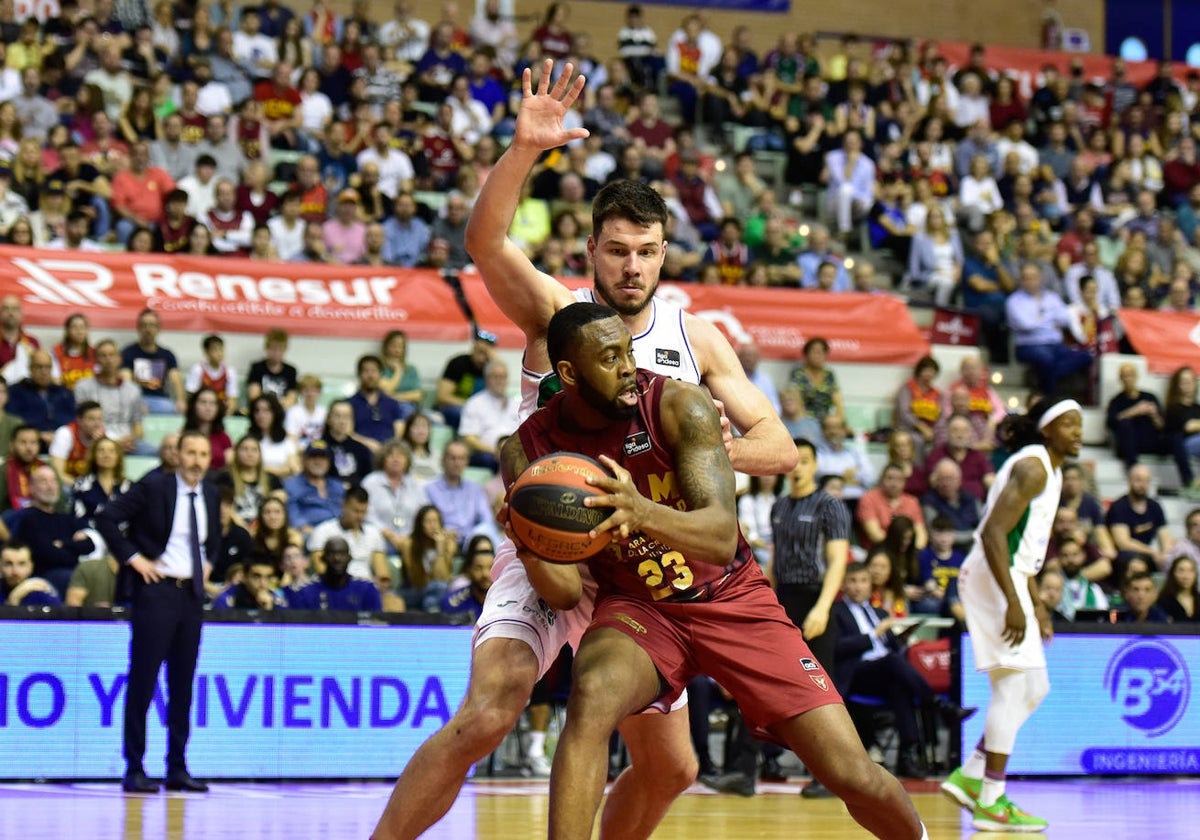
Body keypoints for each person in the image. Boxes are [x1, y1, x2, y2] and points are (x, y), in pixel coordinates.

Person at [372, 61, 796, 840]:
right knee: (490, 711)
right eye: (617, 250)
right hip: (556, 536)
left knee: (673, 768)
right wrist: (525, 151)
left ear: (665, 253)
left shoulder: (696, 339)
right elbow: (483, 240)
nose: (631, 266)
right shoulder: (556, 311)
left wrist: (689, 451)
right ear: (592, 249)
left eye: (647, 251)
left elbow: (781, 445)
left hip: (643, 561)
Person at [501, 302, 925, 840]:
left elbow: (722, 538)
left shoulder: (680, 405)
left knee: (850, 773)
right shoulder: (530, 452)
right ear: (568, 374)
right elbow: (563, 594)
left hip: (732, 598)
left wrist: (641, 511)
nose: (629, 366)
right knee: (592, 696)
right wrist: (531, 544)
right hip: (641, 609)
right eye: (610, 358)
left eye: (628, 351)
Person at [941, 397, 1083, 833]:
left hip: (1010, 575)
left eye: (1081, 424)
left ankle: (973, 774)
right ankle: (990, 799)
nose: (1079, 431)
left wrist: (1036, 603)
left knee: (1033, 688)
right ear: (1047, 430)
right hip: (992, 576)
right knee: (1014, 687)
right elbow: (993, 534)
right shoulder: (1034, 467)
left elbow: (1025, 548)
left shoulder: (1051, 468)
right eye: (1069, 424)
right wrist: (1015, 600)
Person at [96, 430, 219, 794]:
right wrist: (134, 559)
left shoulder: (211, 493)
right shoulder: (154, 487)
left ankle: (177, 767)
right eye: (190, 452)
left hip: (191, 596)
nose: (197, 460)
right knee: (143, 682)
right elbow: (106, 518)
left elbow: (214, 538)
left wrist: (209, 562)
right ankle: (134, 767)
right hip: (157, 592)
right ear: (176, 455)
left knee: (183, 685)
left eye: (203, 454)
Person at [834, 561, 975, 779]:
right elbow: (837, 648)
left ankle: (908, 756)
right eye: (852, 581)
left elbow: (892, 648)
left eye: (863, 581)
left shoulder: (879, 613)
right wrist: (873, 635)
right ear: (843, 585)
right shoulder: (835, 612)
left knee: (899, 684)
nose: (858, 587)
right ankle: (939, 705)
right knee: (892, 662)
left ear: (870, 585)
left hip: (885, 672)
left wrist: (902, 639)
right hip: (856, 674)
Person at [74, 339, 153, 456]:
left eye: (112, 355)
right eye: (103, 356)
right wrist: (112, 442)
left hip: (128, 443)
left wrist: (131, 438)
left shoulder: (133, 390)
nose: (108, 360)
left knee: (158, 452)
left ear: (119, 359)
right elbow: (82, 423)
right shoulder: (83, 387)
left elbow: (138, 426)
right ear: (96, 360)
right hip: (96, 441)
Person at [308, 486, 388, 585]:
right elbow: (321, 570)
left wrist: (381, 584)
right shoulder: (323, 531)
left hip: (367, 587)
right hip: (335, 586)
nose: (360, 516)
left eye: (363, 512)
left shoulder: (373, 533)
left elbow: (383, 574)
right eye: (356, 511)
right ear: (343, 506)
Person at [1106, 464, 1174, 575]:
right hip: (1124, 555)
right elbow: (1123, 543)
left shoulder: (1154, 506)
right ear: (1129, 480)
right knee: (1135, 562)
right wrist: (1152, 552)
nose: (1142, 485)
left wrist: (1165, 554)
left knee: (1177, 560)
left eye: (1146, 481)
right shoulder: (1119, 507)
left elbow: (1165, 535)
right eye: (1138, 480)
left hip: (1148, 554)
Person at [286, 536, 383, 611]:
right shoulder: (304, 591)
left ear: (350, 558)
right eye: (331, 554)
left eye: (342, 554)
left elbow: (376, 627)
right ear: (322, 558)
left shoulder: (367, 589)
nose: (337, 558)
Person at [119, 309, 186, 415]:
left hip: (160, 400)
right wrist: (134, 402)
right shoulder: (128, 353)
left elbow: (175, 378)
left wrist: (181, 401)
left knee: (174, 410)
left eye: (152, 325)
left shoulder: (167, 355)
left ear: (158, 328)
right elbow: (125, 379)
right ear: (139, 328)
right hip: (137, 398)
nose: (148, 329)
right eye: (144, 325)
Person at [458, 360, 520, 472]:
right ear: (486, 379)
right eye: (496, 377)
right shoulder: (474, 403)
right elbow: (469, 438)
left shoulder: (516, 405)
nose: (500, 381)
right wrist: (496, 451)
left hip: (512, 453)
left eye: (503, 377)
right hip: (486, 454)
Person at [1105, 363, 1168, 469]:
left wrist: (1154, 415)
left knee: (1173, 437)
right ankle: (1133, 467)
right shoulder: (1116, 401)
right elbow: (1110, 423)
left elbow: (1163, 426)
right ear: (1120, 379)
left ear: (1136, 376)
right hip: (1129, 444)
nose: (1128, 379)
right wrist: (1133, 411)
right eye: (1124, 376)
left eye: (1130, 375)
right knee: (1125, 424)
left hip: (1150, 441)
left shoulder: (1150, 397)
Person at [284, 440, 345, 536]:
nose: (318, 461)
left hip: (338, 533)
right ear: (304, 460)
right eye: (313, 457)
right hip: (308, 533)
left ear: (329, 462)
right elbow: (293, 515)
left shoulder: (337, 485)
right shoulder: (291, 484)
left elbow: (345, 513)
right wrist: (305, 528)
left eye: (323, 458)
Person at [439, 536, 495, 622]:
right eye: (478, 568)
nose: (485, 574)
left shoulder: (508, 603)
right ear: (469, 570)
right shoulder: (452, 603)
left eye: (490, 567)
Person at [1, 541, 62, 606]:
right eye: (8, 564)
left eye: (22, 564)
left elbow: (57, 614)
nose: (15, 571)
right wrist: (14, 598)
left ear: (30, 567)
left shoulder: (42, 592)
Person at [1157, 553, 1199, 623]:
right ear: (1173, 573)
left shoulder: (1198, 598)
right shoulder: (1164, 600)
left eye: (1190, 571)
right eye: (1181, 571)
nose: (1186, 576)